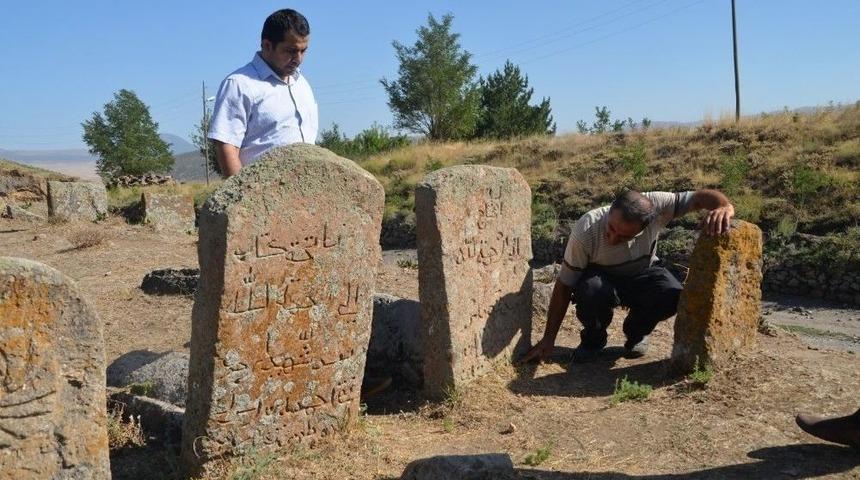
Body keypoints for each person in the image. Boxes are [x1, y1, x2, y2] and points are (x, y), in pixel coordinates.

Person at [522, 189, 734, 364]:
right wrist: (548, 339)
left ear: (646, 225)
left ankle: (636, 333)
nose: (613, 239)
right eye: (611, 228)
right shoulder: (586, 229)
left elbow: (698, 198)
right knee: (590, 291)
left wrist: (725, 206)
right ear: (610, 211)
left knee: (672, 293)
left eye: (624, 236)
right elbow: (564, 285)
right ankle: (593, 340)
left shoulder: (658, 206)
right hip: (602, 278)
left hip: (643, 271)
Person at [208, 8, 318, 177]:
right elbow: (227, 146)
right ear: (267, 45)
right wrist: (241, 192)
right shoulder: (239, 84)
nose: (298, 59)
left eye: (303, 51)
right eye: (291, 51)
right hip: (263, 190)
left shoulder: (302, 84)